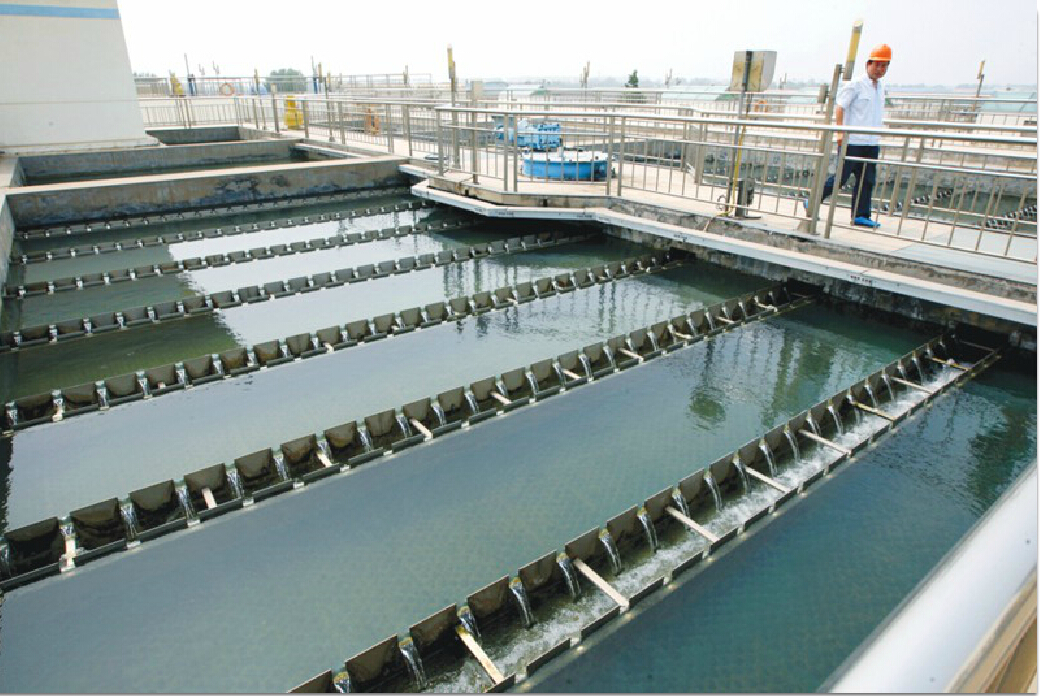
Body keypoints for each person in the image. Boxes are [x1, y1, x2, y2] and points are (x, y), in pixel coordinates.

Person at [807, 43, 891, 228]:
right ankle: (813, 200)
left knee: (867, 180)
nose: (880, 69)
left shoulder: (880, 87)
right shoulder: (856, 85)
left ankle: (860, 215)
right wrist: (840, 134)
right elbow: (840, 108)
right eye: (877, 65)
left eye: (884, 66)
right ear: (868, 64)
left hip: (871, 142)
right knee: (840, 178)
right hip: (852, 141)